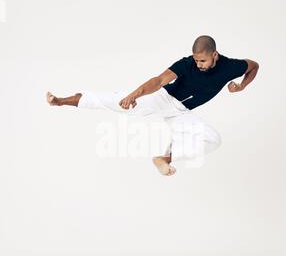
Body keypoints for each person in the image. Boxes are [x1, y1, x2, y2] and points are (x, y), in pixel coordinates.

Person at [47, 35, 259, 176]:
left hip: (181, 113)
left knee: (213, 139)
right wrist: (135, 94)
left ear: (214, 55)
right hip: (163, 99)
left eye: (202, 61)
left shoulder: (231, 66)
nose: (198, 65)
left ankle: (164, 158)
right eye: (196, 60)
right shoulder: (186, 63)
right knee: (117, 102)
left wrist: (242, 86)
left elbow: (254, 65)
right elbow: (158, 81)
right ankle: (62, 101)